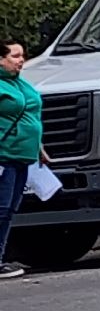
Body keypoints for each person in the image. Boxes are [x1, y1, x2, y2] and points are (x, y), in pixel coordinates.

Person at [0, 40, 48, 280]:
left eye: (22, 56)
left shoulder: (20, 83)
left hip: (22, 156)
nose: (21, 60)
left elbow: (31, 114)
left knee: (8, 209)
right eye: (15, 56)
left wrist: (38, 147)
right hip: (3, 156)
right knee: (0, 208)